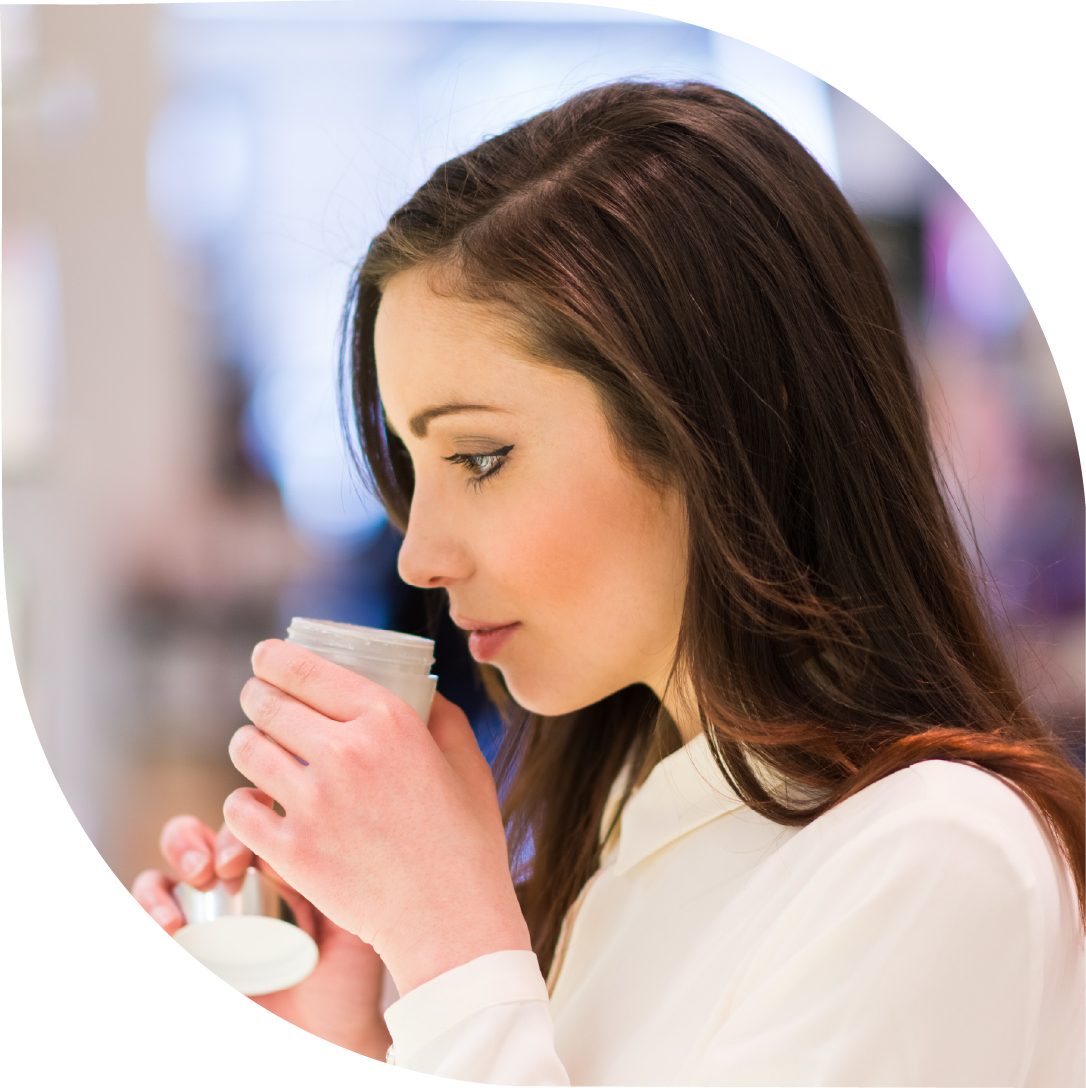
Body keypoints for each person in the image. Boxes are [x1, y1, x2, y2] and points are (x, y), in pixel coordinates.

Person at [132, 79, 1086, 1085]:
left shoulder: (936, 857)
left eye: (482, 456)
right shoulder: (636, 831)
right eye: (412, 470)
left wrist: (449, 938)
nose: (419, 554)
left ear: (715, 428)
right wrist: (345, 1040)